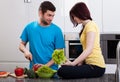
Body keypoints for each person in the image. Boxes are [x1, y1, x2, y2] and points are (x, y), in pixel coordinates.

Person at [57, 2, 106, 79]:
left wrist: (73, 64)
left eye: (74, 16)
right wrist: (79, 63)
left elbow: (89, 49)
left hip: (96, 67)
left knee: (62, 71)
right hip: (89, 64)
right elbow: (85, 49)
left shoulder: (91, 25)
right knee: (63, 68)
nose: (74, 19)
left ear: (80, 13)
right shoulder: (85, 26)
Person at [19, 1, 65, 70]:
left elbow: (59, 55)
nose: (51, 18)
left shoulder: (57, 30)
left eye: (53, 16)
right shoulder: (29, 27)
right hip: (34, 72)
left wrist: (45, 67)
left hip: (52, 73)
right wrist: (25, 51)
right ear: (40, 13)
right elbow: (21, 45)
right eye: (49, 15)